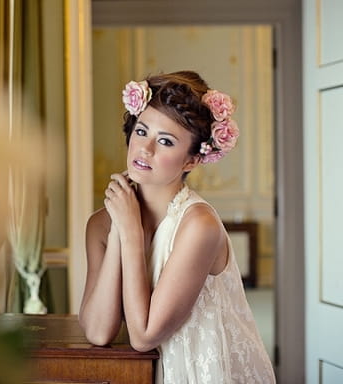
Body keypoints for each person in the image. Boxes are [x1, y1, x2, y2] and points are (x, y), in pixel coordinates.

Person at [78, 71, 276, 383]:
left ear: (191, 161)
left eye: (166, 141)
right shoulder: (100, 224)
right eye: (142, 131)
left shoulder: (199, 225)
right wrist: (119, 226)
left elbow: (144, 336)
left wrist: (131, 233)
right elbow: (98, 331)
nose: (145, 149)